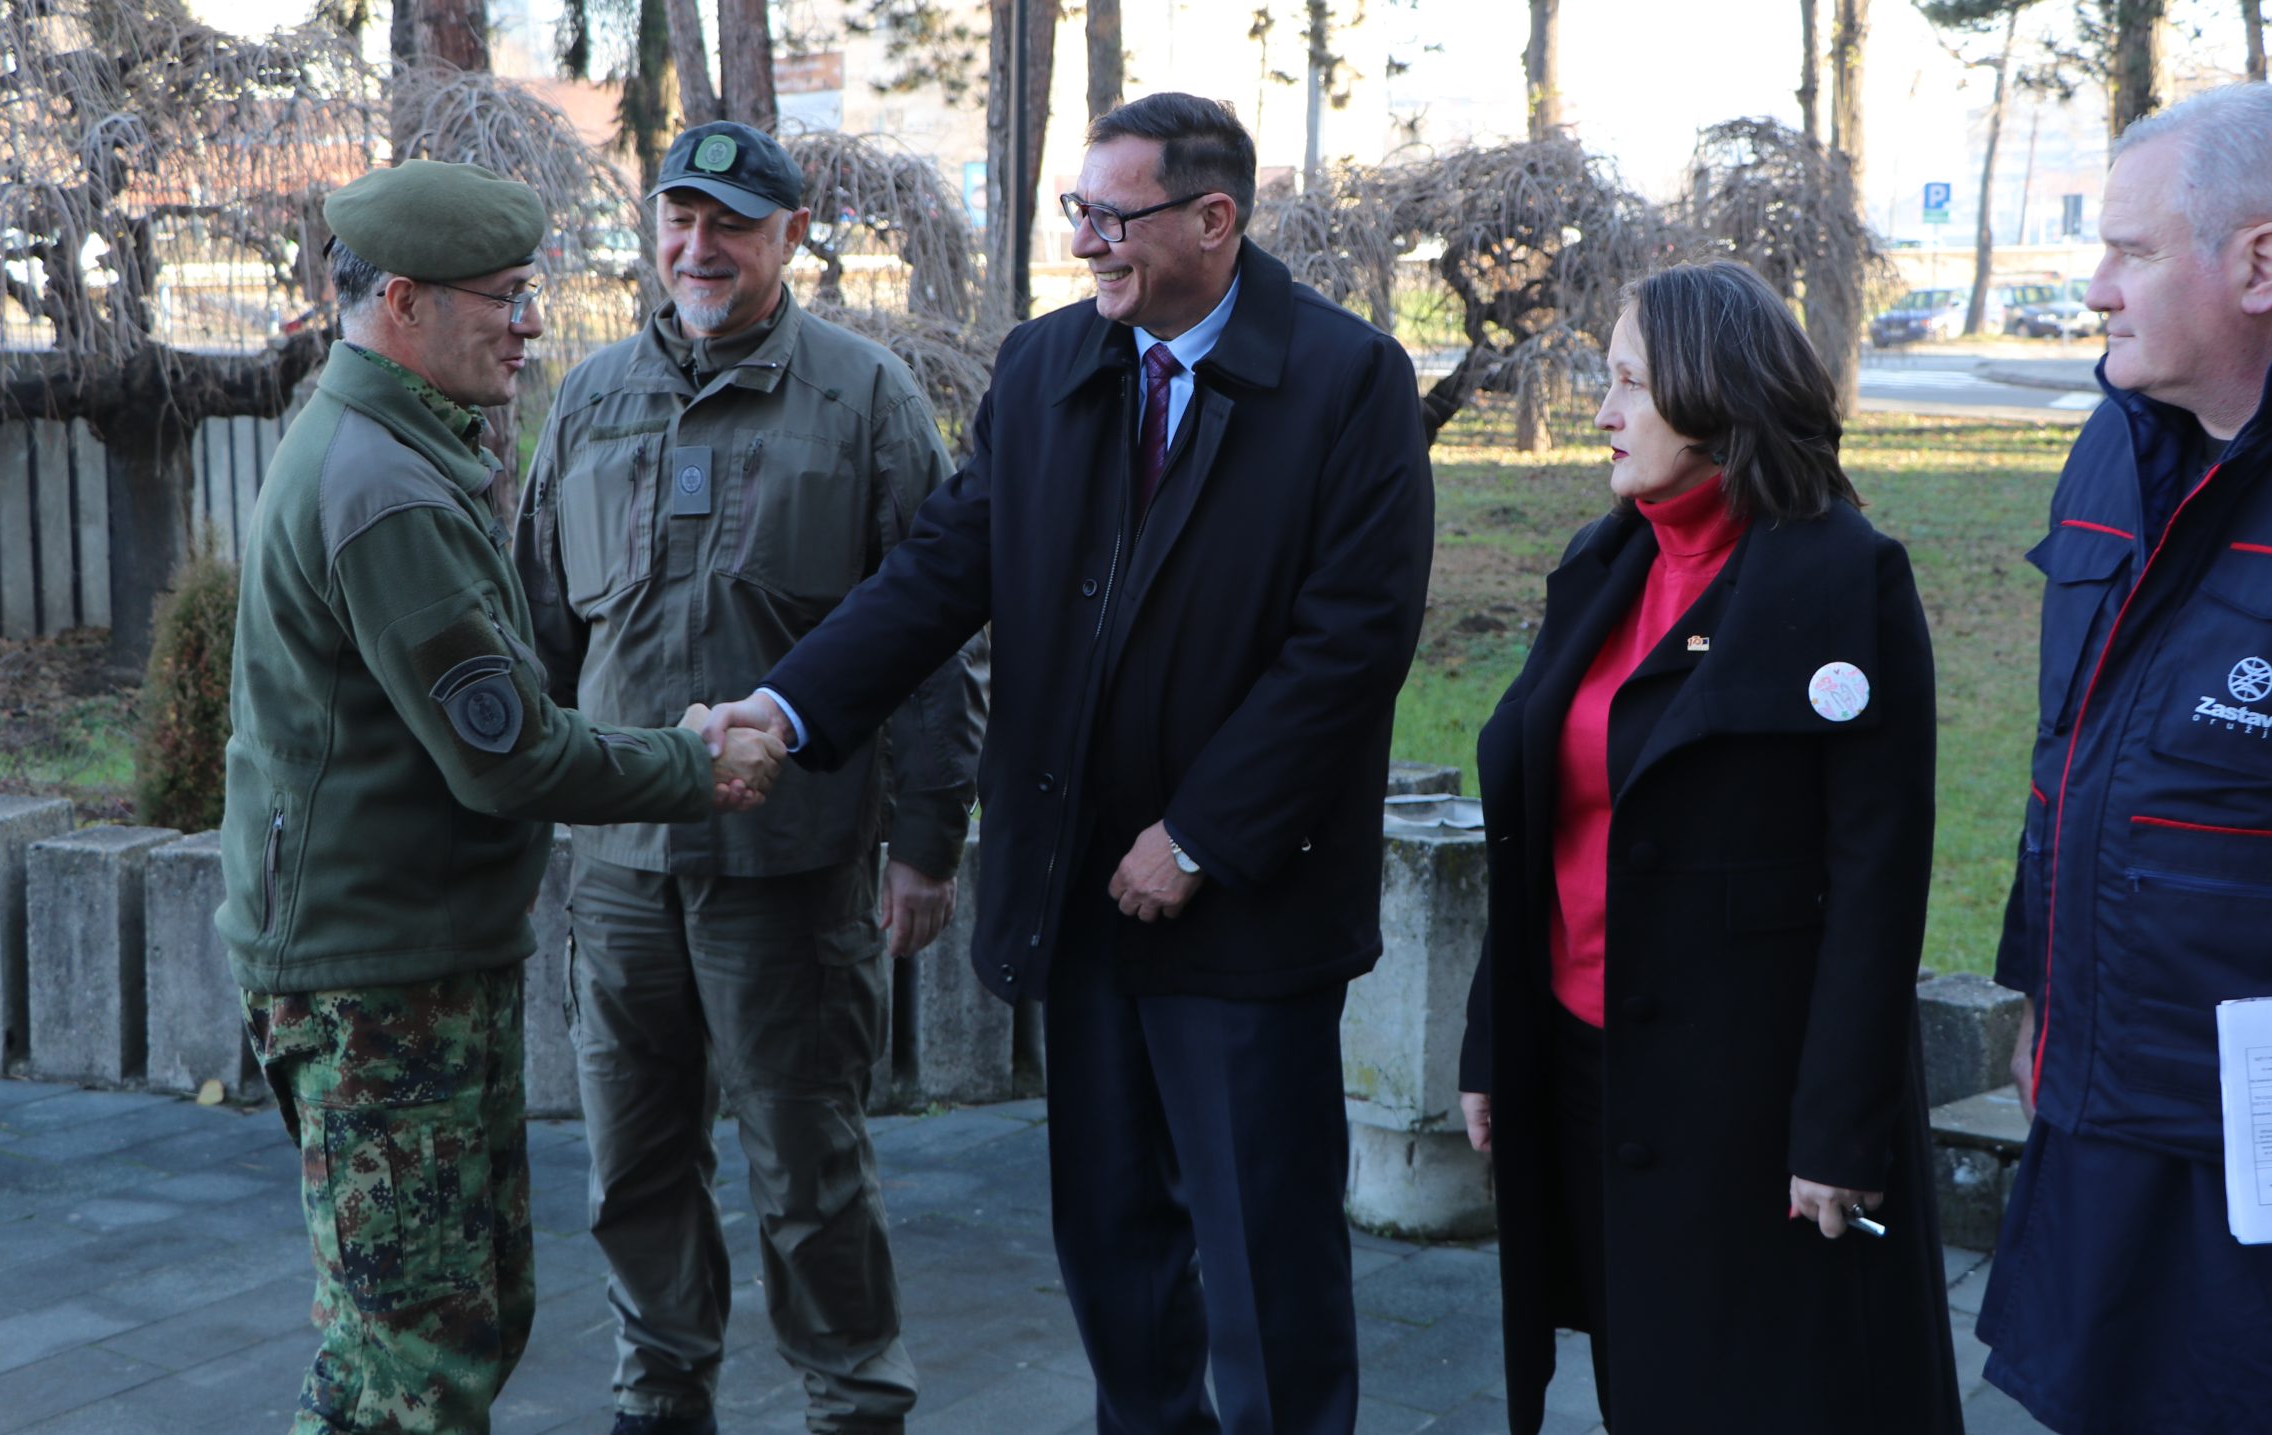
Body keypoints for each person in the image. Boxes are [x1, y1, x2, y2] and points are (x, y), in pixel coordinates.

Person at [700, 92, 1435, 1435]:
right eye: (1076, 212)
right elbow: (936, 573)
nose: (1087, 242)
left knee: (1268, 1274)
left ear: (1214, 221)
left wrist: (1200, 834)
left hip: (1248, 914)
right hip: (1079, 902)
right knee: (1116, 1258)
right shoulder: (1046, 369)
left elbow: (1352, 646)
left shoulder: (1347, 382)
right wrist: (788, 707)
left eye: (1111, 215)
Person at [216, 157, 786, 1435]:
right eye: (506, 297)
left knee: (447, 1322)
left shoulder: (392, 443)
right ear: (404, 304)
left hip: (405, 956)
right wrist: (696, 765)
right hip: (379, 984)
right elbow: (508, 754)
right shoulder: (384, 487)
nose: (531, 322)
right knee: (418, 1358)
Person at [1981, 81, 2272, 1434]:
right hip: (2111, 1140)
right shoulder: (2114, 448)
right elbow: (2065, 758)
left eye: (2128, 249)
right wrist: (2039, 987)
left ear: (2261, 263)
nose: (2093, 288)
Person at [515, 121, 985, 1435]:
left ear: (789, 234)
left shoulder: (863, 397)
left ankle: (853, 1401)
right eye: (679, 216)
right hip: (619, 874)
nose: (697, 245)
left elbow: (941, 633)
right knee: (633, 1161)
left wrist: (927, 837)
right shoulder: (593, 397)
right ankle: (659, 1394)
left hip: (791, 865)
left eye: (730, 221)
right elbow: (542, 630)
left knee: (809, 1166)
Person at [1455, 261, 1962, 1435]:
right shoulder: (1602, 562)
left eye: (1629, 382)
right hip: (1587, 1079)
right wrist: (1496, 1038)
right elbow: (1538, 827)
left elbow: (1881, 880)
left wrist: (1839, 1130)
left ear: (1711, 392)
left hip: (1751, 1108)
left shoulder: (1846, 580)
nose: (1601, 410)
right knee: (1640, 1377)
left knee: (1753, 1392)